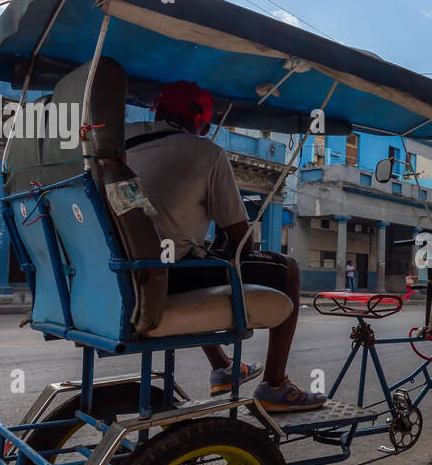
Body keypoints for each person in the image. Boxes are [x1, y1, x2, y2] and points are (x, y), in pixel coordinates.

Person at [124, 81, 325, 412]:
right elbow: (242, 240)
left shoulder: (121, 142)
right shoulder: (206, 153)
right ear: (201, 124)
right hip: (166, 275)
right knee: (286, 268)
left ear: (157, 109)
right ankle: (275, 385)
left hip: (125, 272)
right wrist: (234, 251)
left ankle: (224, 368)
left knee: (195, 258)